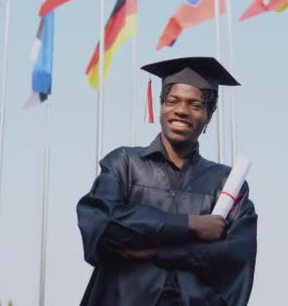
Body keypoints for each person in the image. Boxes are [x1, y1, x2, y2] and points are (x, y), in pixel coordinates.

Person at [76, 56, 258, 306]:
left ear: (209, 114)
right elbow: (104, 226)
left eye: (195, 104)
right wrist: (190, 225)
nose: (182, 110)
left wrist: (159, 251)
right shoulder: (124, 164)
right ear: (161, 105)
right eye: (172, 101)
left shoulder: (226, 183)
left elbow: (236, 256)